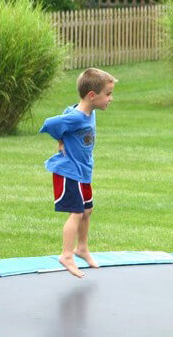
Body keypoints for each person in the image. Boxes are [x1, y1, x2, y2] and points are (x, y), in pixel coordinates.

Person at [39, 68, 116, 278]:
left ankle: (81, 248)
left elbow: (65, 115)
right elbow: (50, 124)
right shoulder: (76, 117)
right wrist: (59, 139)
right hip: (68, 172)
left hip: (83, 171)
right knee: (77, 212)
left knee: (87, 210)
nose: (110, 98)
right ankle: (66, 255)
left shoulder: (87, 111)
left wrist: (62, 138)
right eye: (108, 94)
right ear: (92, 95)